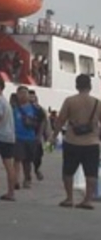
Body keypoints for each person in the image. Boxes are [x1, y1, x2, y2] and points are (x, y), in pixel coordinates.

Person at [50, 74, 101, 209]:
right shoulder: (97, 103)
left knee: (68, 171)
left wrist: (54, 136)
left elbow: (61, 120)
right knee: (91, 172)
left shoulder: (70, 101)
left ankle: (69, 198)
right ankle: (88, 200)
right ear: (90, 86)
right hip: (92, 142)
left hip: (72, 141)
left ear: (77, 85)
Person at [12, 86, 38, 189]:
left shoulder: (35, 108)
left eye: (25, 93)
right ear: (17, 95)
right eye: (20, 93)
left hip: (30, 138)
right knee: (17, 160)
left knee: (27, 161)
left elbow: (42, 122)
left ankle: (27, 179)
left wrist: (41, 136)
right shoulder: (14, 108)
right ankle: (16, 180)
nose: (23, 95)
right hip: (18, 137)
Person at [29, 90, 51, 180]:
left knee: (37, 157)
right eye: (29, 96)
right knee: (27, 158)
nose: (31, 99)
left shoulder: (41, 110)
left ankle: (37, 169)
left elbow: (47, 126)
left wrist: (48, 142)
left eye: (33, 97)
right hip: (26, 137)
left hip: (37, 137)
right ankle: (28, 177)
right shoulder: (23, 108)